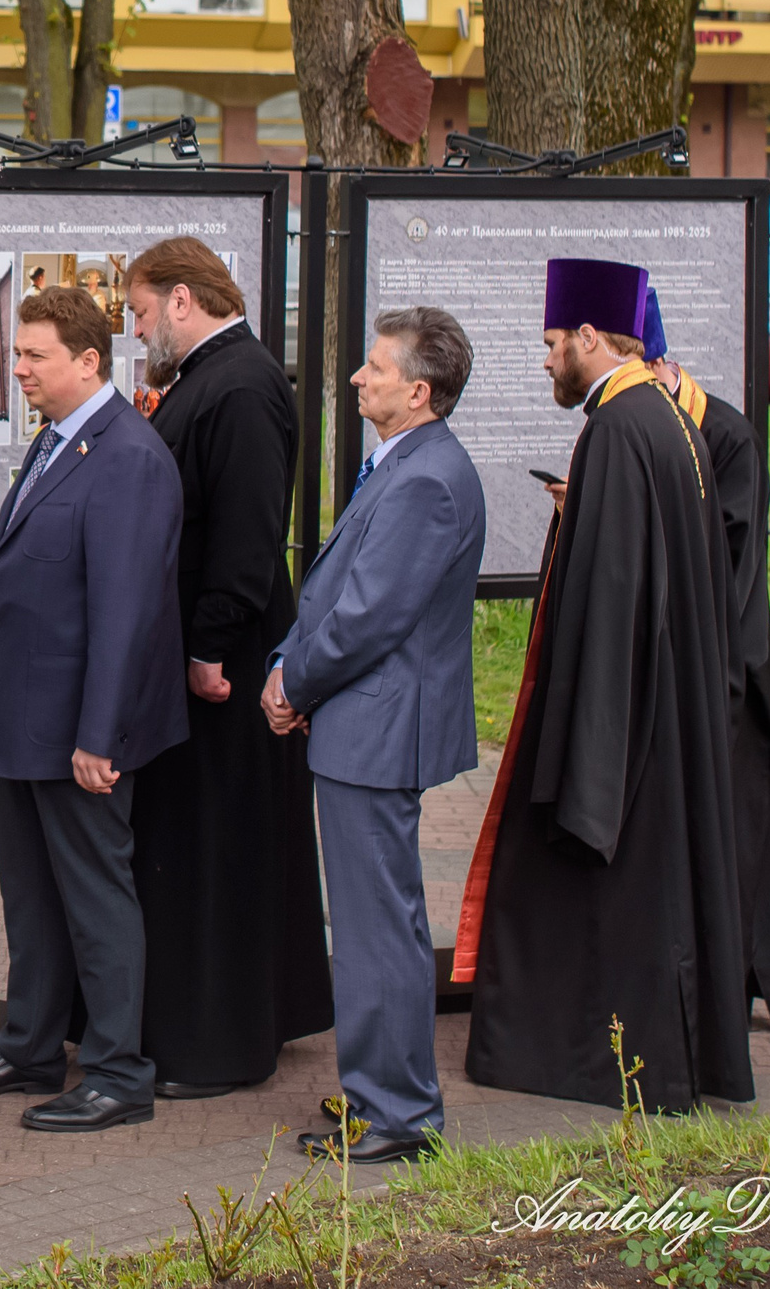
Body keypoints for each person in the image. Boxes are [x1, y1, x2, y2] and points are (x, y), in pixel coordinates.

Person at [457, 259, 750, 1113]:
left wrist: (584, 763)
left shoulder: (621, 428)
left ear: (591, 337)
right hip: (668, 706)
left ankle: (577, 1056)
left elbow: (616, 596)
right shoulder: (665, 418)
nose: (547, 361)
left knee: (560, 880)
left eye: (553, 343)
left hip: (624, 725)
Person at [0, 286, 186, 1133]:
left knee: (94, 896)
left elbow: (127, 609)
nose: (17, 370)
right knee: (32, 898)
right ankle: (30, 1046)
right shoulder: (61, 441)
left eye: (34, 356)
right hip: (25, 725)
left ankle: (120, 1071)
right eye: (15, 354)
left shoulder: (125, 454)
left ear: (90, 361)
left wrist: (101, 734)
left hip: (77, 731)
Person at [262, 308, 486, 1165]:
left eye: (374, 368)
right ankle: (379, 1087)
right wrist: (293, 659)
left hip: (376, 727)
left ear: (419, 390)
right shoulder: (407, 461)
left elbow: (369, 616)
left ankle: (397, 1111)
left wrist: (293, 679)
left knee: (375, 925)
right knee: (369, 921)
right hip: (363, 718)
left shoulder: (428, 476)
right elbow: (338, 591)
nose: (358, 378)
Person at [121, 239, 332, 1101]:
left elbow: (247, 536)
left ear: (181, 299)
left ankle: (220, 1042)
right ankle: (215, 1022)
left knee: (220, 850)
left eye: (139, 312)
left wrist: (209, 646)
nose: (138, 331)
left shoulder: (241, 384)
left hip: (227, 660)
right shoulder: (218, 377)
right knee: (202, 845)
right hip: (211, 649)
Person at [641, 289, 770, 1032]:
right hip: (682, 661)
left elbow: (728, 565)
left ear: (664, 367)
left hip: (727, 664)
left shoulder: (726, 436)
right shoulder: (655, 427)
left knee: (734, 838)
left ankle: (731, 983)